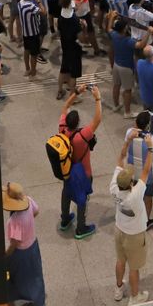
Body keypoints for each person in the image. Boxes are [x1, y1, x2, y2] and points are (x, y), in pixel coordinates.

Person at [57, 83, 102, 241]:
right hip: (84, 172)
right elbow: (98, 119)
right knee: (82, 199)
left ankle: (65, 219)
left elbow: (65, 106)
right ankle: (81, 228)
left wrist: (76, 92)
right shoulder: (83, 135)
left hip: (67, 170)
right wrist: (97, 98)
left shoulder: (62, 129)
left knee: (66, 192)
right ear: (77, 123)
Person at [109, 160, 151, 303]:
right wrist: (150, 151)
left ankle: (118, 289)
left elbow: (119, 161)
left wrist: (125, 147)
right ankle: (135, 296)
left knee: (120, 261)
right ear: (131, 183)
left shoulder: (114, 189)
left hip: (119, 230)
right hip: (135, 236)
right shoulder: (135, 195)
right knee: (134, 268)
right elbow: (146, 171)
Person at [2, 182, 45, 306]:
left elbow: (14, 243)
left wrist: (5, 256)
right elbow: (36, 211)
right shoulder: (29, 201)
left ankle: (10, 304)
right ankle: (39, 305)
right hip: (33, 246)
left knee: (9, 276)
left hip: (20, 254)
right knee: (36, 275)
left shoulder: (14, 221)